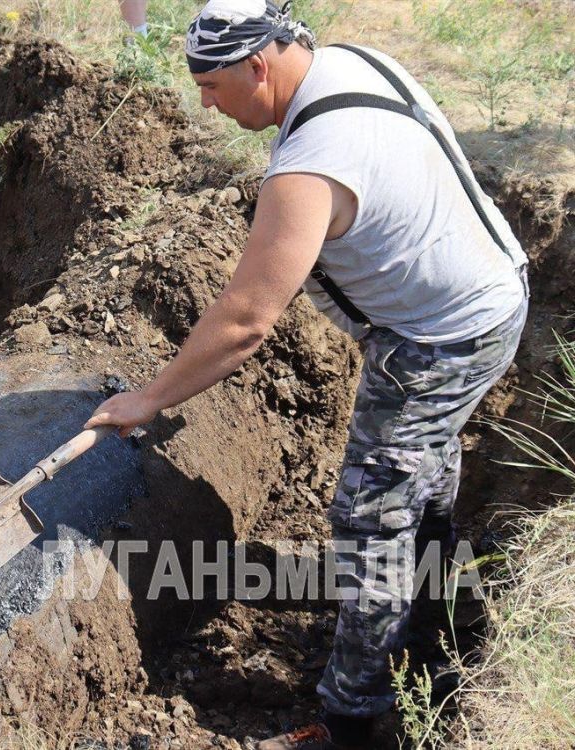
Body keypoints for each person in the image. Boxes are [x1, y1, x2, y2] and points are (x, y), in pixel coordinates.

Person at [84, 0, 529, 747]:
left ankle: (352, 720)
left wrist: (151, 398)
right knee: (421, 479)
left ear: (259, 66)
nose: (205, 103)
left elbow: (246, 320)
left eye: (211, 85)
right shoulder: (352, 62)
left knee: (370, 520)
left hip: (439, 339)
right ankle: (440, 624)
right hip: (490, 295)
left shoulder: (309, 166)